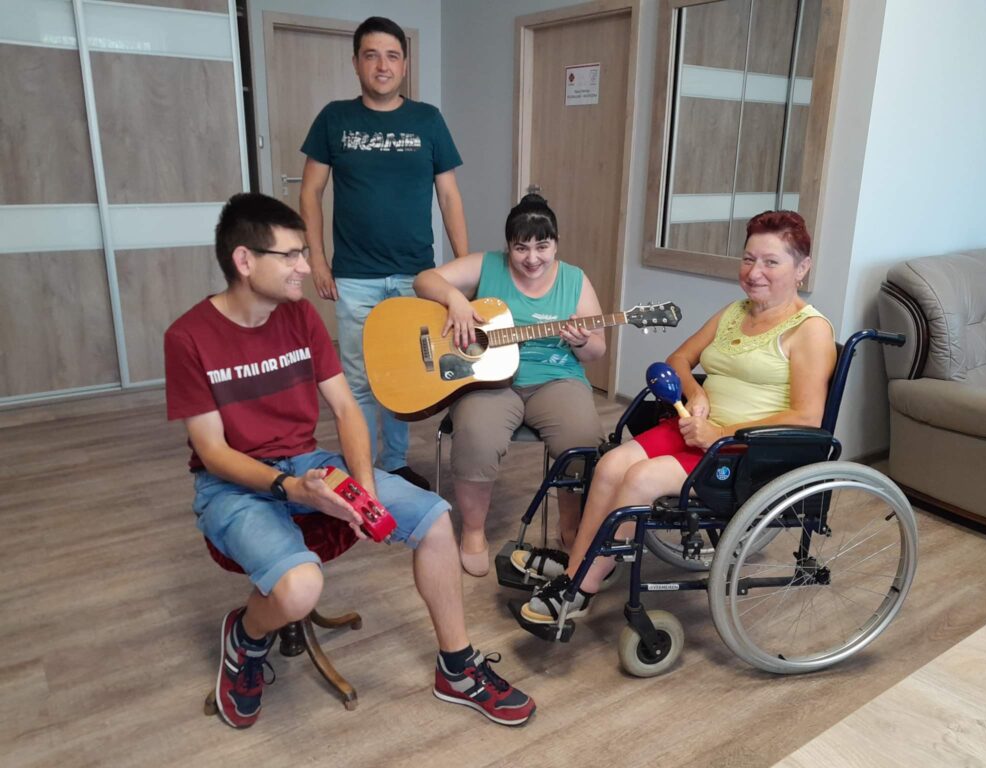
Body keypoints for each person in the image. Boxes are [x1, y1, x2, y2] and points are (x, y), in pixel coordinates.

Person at [164, 193, 534, 729]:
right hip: (231, 485)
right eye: (291, 255)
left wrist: (364, 488)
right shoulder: (188, 337)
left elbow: (345, 407)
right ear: (244, 260)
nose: (306, 266)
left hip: (305, 461)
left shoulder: (300, 317)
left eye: (305, 252)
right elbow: (213, 452)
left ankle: (456, 669)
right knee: (300, 587)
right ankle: (244, 637)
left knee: (435, 520)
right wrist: (292, 490)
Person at [517, 209, 837, 624]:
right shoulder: (735, 312)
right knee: (611, 464)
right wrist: (697, 392)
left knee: (640, 479)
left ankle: (579, 590)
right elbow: (679, 359)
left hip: (743, 451)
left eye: (771, 262)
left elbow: (807, 417)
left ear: (802, 268)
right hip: (695, 429)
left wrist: (720, 432)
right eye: (748, 259)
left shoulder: (809, 330)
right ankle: (578, 568)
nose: (754, 272)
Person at [299, 16, 468, 491]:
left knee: (402, 376)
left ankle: (393, 464)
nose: (382, 65)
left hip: (416, 276)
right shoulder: (334, 118)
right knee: (357, 379)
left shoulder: (428, 120)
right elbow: (310, 192)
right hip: (355, 276)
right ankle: (362, 469)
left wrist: (463, 269)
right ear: (356, 63)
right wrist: (318, 259)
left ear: (404, 65)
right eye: (371, 55)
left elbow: (449, 196)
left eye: (392, 56)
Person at [413, 193, 607, 577]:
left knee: (583, 438)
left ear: (556, 244)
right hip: (488, 379)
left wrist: (582, 341)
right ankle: (473, 531)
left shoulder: (575, 279)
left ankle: (571, 527)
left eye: (542, 246)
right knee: (476, 435)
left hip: (555, 378)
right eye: (521, 248)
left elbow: (597, 350)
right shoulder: (487, 265)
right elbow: (423, 280)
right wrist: (455, 299)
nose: (532, 258)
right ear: (508, 247)